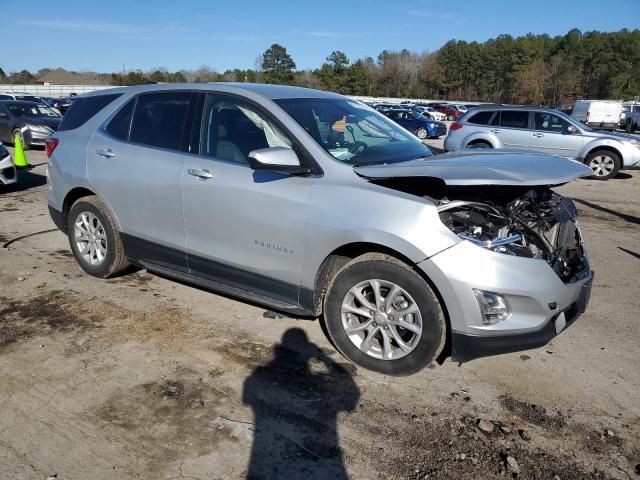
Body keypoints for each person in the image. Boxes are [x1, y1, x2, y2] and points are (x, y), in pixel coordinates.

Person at [243, 328, 360, 479]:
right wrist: (324, 358)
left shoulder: (259, 374)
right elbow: (351, 400)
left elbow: (247, 398)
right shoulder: (262, 375)